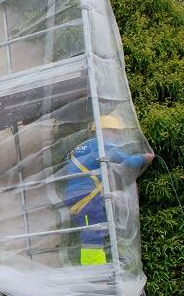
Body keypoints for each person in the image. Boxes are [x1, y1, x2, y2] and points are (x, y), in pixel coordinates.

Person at [63, 114, 153, 266]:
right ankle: (94, 269)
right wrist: (145, 157)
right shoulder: (103, 146)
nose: (116, 137)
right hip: (87, 198)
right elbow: (127, 161)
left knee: (95, 232)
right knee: (93, 235)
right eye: (114, 132)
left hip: (76, 196)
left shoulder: (81, 148)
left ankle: (98, 266)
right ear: (104, 131)